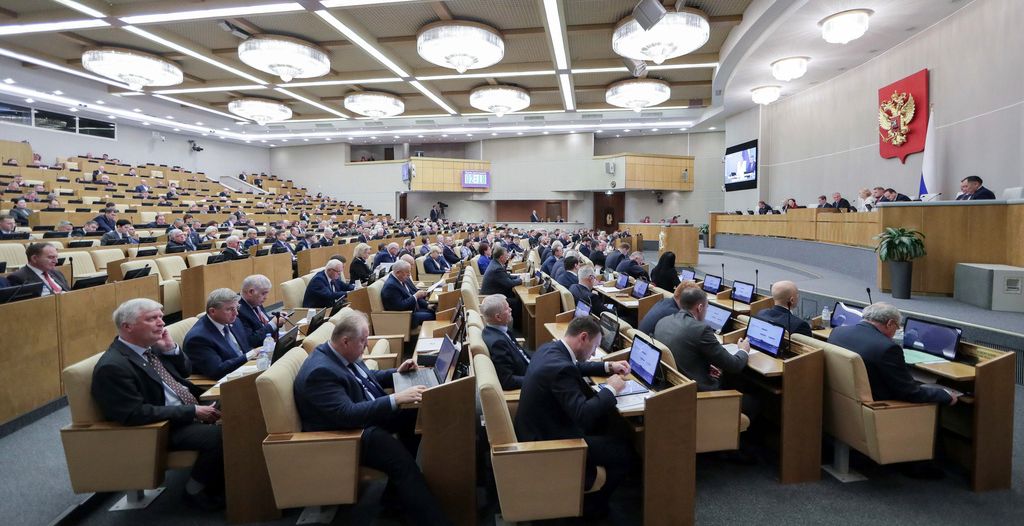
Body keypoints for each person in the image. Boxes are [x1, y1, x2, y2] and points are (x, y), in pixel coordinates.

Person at [292, 312, 451, 525]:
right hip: (347, 434)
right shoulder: (320, 372)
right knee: (402, 463)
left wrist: (397, 373)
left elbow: (366, 378)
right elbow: (347, 415)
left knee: (415, 414)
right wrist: (395, 398)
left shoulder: (340, 354)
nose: (367, 345)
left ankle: (395, 498)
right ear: (345, 341)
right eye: (363, 341)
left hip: (363, 414)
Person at [91, 299, 224, 510]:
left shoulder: (150, 348)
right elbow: (134, 413)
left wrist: (171, 348)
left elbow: (185, 372)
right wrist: (191, 411)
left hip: (185, 408)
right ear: (127, 326)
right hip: (162, 427)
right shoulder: (113, 366)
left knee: (240, 407)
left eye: (161, 317)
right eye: (152, 319)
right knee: (221, 435)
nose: (161, 323)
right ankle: (195, 490)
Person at [514, 317, 635, 517]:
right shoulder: (561, 369)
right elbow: (583, 415)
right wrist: (611, 389)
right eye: (594, 346)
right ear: (583, 337)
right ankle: (592, 508)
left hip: (535, 427)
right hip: (549, 442)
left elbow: (574, 367)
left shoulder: (548, 349)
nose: (594, 353)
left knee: (606, 422)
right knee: (624, 451)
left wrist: (608, 366)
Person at [828, 303, 957, 404]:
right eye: (897, 327)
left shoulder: (837, 332)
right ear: (890, 323)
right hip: (879, 406)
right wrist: (945, 395)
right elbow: (910, 393)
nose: (896, 332)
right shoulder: (887, 348)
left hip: (842, 399)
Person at [654, 286, 750, 392]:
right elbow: (734, 365)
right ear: (699, 308)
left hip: (672, 384)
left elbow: (683, 352)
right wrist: (743, 350)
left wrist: (706, 366)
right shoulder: (701, 329)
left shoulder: (663, 321)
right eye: (706, 307)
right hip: (696, 392)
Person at [182, 289, 258, 379]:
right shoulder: (198, 339)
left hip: (246, 370)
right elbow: (217, 371)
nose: (236, 313)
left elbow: (245, 349)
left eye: (237, 308)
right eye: (230, 309)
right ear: (212, 311)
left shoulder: (235, 322)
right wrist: (249, 355)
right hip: (225, 380)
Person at [480, 295, 532, 390]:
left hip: (530, 365)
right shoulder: (498, 343)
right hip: (529, 377)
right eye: (507, 309)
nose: (511, 309)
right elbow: (507, 381)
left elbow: (520, 352)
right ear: (498, 317)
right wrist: (536, 379)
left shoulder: (495, 330)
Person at [380, 260, 435, 326]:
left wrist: (427, 305)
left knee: (435, 310)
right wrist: (416, 296)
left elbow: (413, 293)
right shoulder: (391, 286)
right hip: (405, 317)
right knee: (435, 315)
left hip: (414, 309)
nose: (409, 274)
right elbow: (400, 306)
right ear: (398, 273)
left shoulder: (403, 278)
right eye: (407, 272)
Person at [237, 274, 282, 347]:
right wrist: (273, 324)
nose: (266, 297)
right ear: (251, 292)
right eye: (263, 293)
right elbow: (251, 340)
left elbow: (262, 322)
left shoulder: (254, 300)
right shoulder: (238, 310)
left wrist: (278, 318)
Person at [480, 246, 523, 315]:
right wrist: (521, 280)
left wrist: (518, 276)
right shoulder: (497, 268)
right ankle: (516, 322)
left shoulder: (495, 263)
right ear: (501, 257)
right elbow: (509, 283)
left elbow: (507, 276)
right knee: (518, 302)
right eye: (506, 256)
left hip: (494, 294)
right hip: (491, 298)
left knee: (514, 295)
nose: (507, 257)